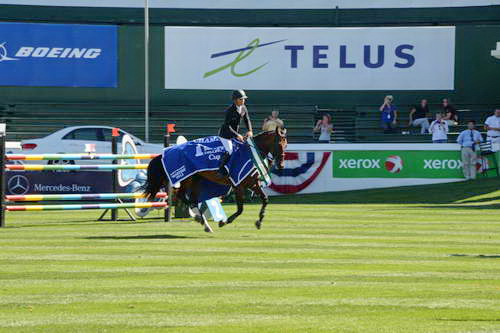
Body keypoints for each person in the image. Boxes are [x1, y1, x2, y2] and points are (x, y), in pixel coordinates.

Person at [217, 89, 253, 176]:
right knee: (229, 150)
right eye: (241, 99)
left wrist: (250, 130)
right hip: (225, 134)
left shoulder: (244, 108)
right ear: (235, 100)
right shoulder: (230, 110)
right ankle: (221, 169)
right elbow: (227, 126)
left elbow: (247, 120)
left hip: (234, 133)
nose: (243, 100)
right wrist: (237, 135)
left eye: (244, 99)